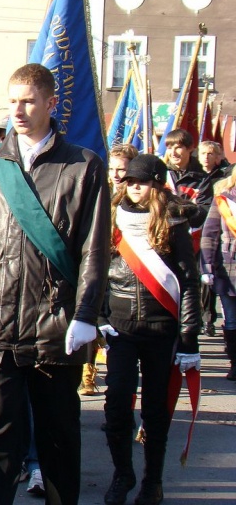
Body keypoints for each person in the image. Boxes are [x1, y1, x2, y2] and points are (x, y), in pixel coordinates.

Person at [0, 63, 111, 505]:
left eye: (28, 101)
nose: (18, 110)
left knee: (59, 441)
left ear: (51, 103)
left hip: (57, 326)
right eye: (12, 101)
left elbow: (94, 249)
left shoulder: (83, 166)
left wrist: (85, 314)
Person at [100, 154, 201, 505]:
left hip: (161, 329)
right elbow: (96, 270)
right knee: (116, 406)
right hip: (121, 330)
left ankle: (152, 481)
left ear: (157, 184)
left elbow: (188, 282)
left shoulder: (174, 221)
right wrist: (99, 317)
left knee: (156, 411)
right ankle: (122, 474)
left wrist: (189, 338)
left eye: (141, 181)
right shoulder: (111, 217)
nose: (133, 186)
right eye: (129, 180)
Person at [79, 143, 140, 397]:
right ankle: (87, 372)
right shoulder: (101, 192)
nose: (115, 174)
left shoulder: (136, 198)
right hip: (98, 264)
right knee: (89, 317)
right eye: (112, 168)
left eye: (121, 169)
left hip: (123, 270)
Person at [200, 163, 236, 380]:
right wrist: (207, 266)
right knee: (232, 320)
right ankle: (235, 363)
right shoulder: (223, 199)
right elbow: (209, 235)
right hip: (229, 269)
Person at [198, 140, 231, 336]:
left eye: (211, 153)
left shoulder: (223, 176)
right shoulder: (198, 177)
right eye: (203, 153)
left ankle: (208, 317)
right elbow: (210, 232)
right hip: (225, 261)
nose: (206, 157)